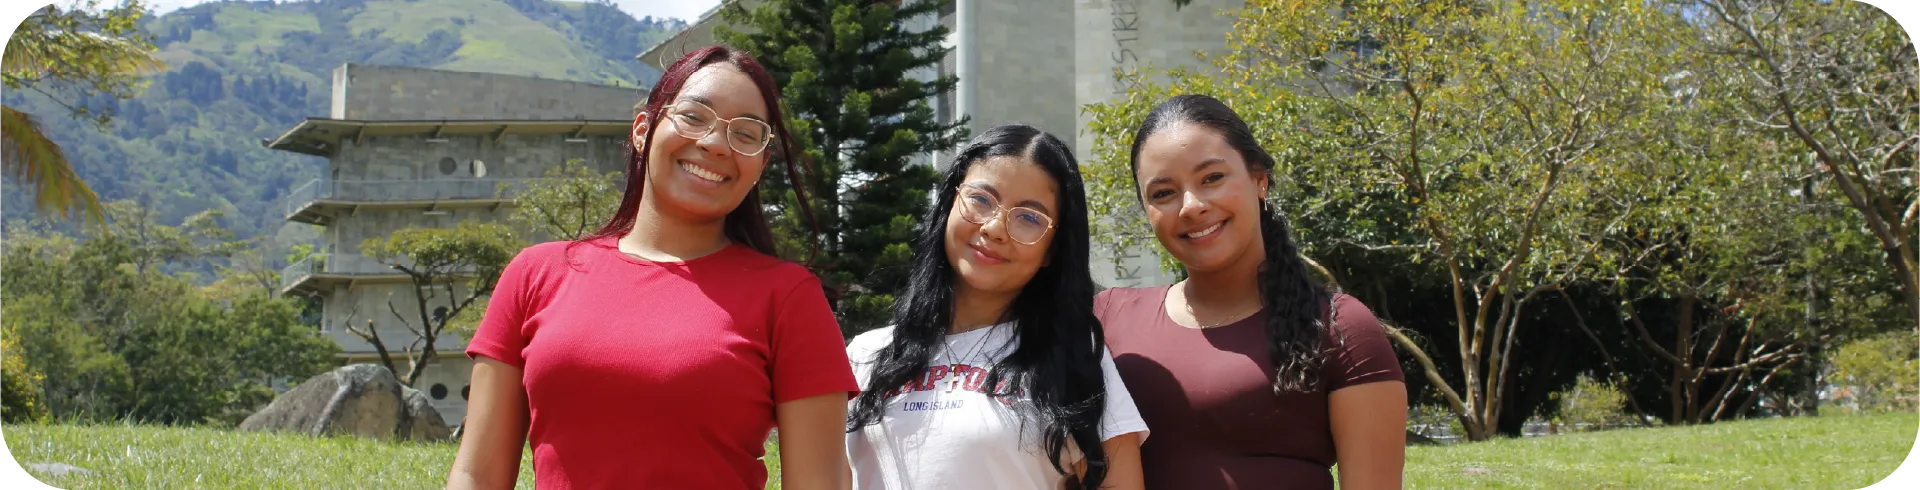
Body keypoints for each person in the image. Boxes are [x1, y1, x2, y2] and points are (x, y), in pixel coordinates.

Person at [446, 46, 857, 490]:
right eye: (694, 116)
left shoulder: (790, 296)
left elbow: (820, 483)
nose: (715, 143)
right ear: (643, 129)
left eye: (745, 133)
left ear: (761, 163)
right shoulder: (536, 273)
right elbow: (476, 475)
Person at [1095, 94, 1408, 490]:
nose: (1191, 206)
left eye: (1212, 178)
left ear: (1259, 179)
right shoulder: (1107, 319)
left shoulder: (1341, 328)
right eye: (1163, 193)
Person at [843, 124, 1149, 490]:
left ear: (1052, 250)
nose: (994, 228)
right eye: (981, 199)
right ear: (949, 204)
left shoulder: (1073, 358)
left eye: (1029, 218)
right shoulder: (866, 355)